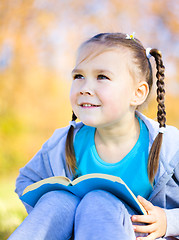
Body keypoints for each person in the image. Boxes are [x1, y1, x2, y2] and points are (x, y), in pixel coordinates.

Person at [8, 32, 179, 240]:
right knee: (58, 201)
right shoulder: (63, 142)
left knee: (98, 201)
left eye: (102, 77)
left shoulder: (169, 146)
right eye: (78, 76)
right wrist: (67, 211)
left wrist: (167, 221)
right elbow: (27, 180)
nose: (85, 88)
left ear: (138, 93)